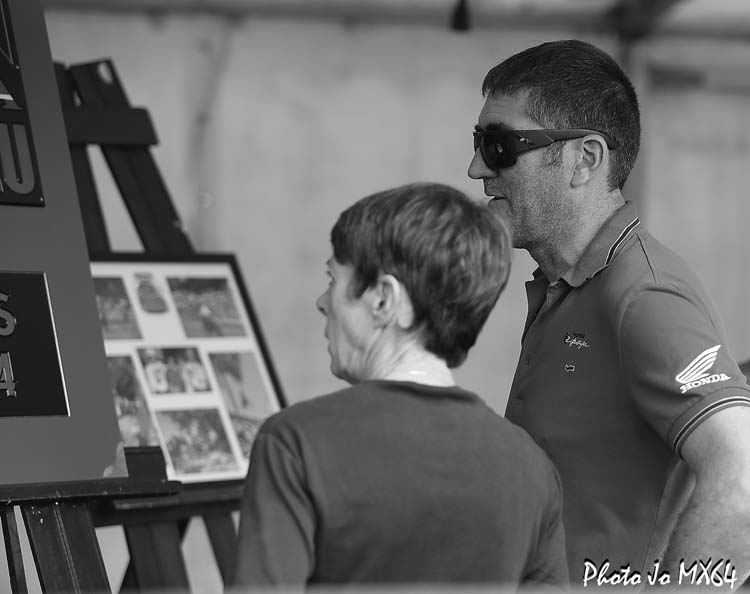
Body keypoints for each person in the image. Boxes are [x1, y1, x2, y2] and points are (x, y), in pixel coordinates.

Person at [468, 39, 750, 586]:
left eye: (500, 145)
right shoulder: (570, 287)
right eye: (479, 141)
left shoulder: (643, 294)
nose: (477, 166)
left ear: (586, 160)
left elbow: (743, 477)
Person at [233, 182, 568, 588]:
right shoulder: (531, 469)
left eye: (332, 279)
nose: (323, 302)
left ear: (382, 299)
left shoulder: (296, 445)